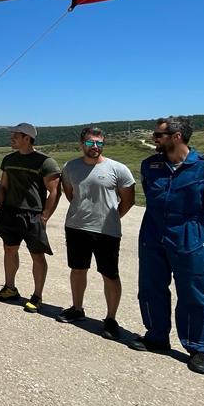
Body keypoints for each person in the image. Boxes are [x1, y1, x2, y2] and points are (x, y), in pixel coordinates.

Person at [129, 117, 204, 375]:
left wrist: (194, 222)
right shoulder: (150, 165)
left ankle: (197, 347)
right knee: (151, 287)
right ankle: (156, 336)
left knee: (193, 292)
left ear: (176, 137)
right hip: (153, 233)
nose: (154, 139)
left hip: (189, 235)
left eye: (159, 135)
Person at [56, 127, 136, 340]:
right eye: (91, 143)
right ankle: (77, 308)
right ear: (81, 144)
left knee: (109, 274)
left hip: (106, 231)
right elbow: (70, 194)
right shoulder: (70, 167)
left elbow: (128, 200)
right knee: (78, 269)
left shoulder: (118, 169)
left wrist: (111, 218)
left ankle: (110, 318)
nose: (95, 147)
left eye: (99, 143)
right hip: (76, 227)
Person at [0, 123, 61, 312]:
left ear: (27, 138)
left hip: (33, 214)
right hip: (10, 212)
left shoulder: (46, 162)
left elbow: (55, 191)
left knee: (37, 256)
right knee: (9, 250)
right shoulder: (8, 159)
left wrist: (44, 217)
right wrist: (0, 206)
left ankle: (37, 296)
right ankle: (9, 288)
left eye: (16, 135)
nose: (12, 138)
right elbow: (4, 185)